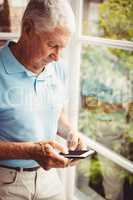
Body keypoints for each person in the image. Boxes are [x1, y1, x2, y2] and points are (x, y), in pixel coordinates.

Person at [0, 0, 86, 199]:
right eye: (52, 45)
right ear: (28, 29)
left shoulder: (58, 68)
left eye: (62, 47)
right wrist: (31, 151)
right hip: (5, 182)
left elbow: (55, 112)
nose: (57, 56)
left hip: (48, 179)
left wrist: (70, 132)